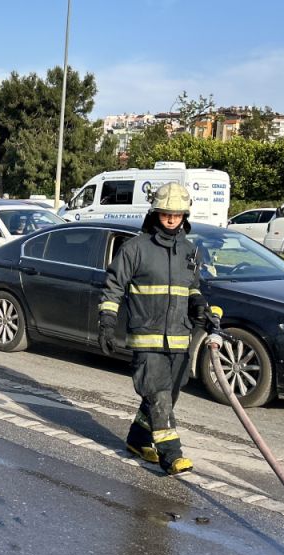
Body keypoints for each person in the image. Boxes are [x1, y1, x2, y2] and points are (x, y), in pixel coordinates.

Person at [97, 182, 213, 475]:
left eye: (177, 214)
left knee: (166, 396)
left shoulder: (190, 251)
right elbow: (112, 288)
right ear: (155, 213)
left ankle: (137, 440)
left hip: (178, 339)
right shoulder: (135, 249)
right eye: (165, 214)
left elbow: (192, 288)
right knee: (159, 395)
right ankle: (171, 455)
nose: (171, 219)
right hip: (146, 338)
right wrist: (107, 323)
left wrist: (199, 305)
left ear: (184, 215)